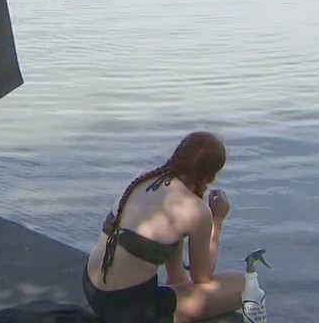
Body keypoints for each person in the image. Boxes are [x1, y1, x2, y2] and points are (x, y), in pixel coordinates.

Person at [83, 131, 245, 323]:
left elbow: (176, 276)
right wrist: (217, 220)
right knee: (244, 285)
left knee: (178, 279)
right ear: (210, 175)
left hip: (92, 291)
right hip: (131, 311)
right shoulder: (196, 211)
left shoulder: (143, 178)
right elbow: (202, 278)